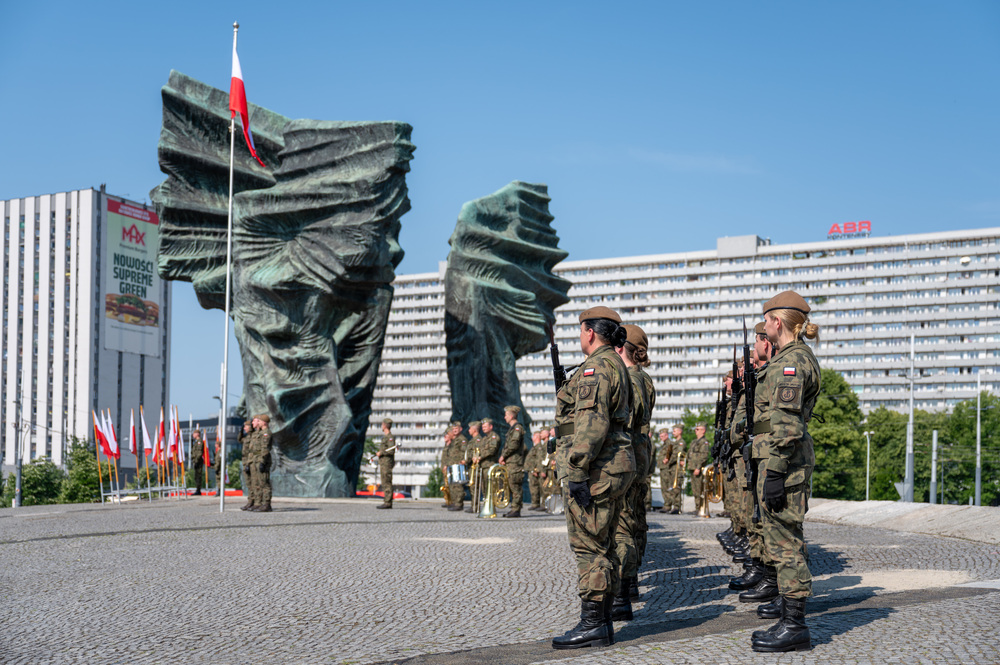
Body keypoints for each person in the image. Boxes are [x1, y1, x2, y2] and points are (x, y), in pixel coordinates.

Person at [551, 306, 634, 650]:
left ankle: (593, 624)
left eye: (580, 330)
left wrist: (577, 471)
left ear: (589, 332)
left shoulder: (595, 369)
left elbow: (591, 424)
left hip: (597, 469)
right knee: (604, 544)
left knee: (590, 547)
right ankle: (602, 620)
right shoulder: (613, 363)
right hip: (613, 465)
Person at [750, 291, 820, 653]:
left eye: (765, 321)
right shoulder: (792, 358)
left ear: (777, 322)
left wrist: (775, 470)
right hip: (782, 460)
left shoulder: (791, 363)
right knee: (783, 538)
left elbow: (788, 425)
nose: (763, 327)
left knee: (785, 541)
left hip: (785, 462)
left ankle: (795, 626)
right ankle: (788, 615)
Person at [610, 323, 653, 622]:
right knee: (633, 521)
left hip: (628, 460)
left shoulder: (631, 380)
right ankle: (630, 583)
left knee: (623, 527)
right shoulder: (642, 378)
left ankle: (622, 596)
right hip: (638, 458)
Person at [499, 406, 525, 517]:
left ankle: (516, 509)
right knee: (511, 485)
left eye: (506, 415)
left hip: (515, 463)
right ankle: (514, 508)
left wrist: (503, 456)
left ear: (511, 416)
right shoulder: (512, 429)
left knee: (515, 486)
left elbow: (513, 445)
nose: (504, 417)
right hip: (511, 462)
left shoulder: (517, 428)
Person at [660, 425, 685, 514]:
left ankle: (677, 506)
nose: (673, 433)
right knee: (672, 487)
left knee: (676, 487)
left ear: (680, 432)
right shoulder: (674, 443)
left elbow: (677, 454)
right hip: (672, 468)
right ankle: (673, 506)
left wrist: (668, 461)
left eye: (674, 431)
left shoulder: (681, 443)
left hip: (676, 468)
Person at [442, 422, 466, 511]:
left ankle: (459, 503)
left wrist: (463, 461)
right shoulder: (454, 440)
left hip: (457, 464)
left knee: (457, 485)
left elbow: (464, 451)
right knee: (453, 485)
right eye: (453, 429)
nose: (455, 430)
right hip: (452, 465)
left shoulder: (462, 440)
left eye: (457, 428)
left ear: (461, 429)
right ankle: (455, 502)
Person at [688, 423, 710, 515]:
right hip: (692, 468)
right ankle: (697, 507)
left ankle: (701, 508)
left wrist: (698, 467)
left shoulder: (704, 442)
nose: (695, 431)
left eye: (697, 429)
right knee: (695, 489)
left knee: (699, 489)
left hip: (698, 469)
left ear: (703, 430)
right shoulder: (694, 441)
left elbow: (704, 456)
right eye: (695, 429)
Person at [252, 414, 273, 512]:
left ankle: (267, 504)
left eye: (259, 421)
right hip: (257, 458)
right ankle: (260, 503)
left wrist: (262, 461)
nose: (258, 422)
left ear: (264, 422)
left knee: (265, 482)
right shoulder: (261, 433)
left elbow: (265, 448)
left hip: (263, 459)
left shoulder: (266, 433)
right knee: (260, 483)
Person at [375, 418, 396, 509]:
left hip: (387, 463)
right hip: (383, 463)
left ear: (384, 425)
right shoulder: (386, 437)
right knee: (384, 481)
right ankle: (386, 500)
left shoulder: (390, 437)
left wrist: (381, 452)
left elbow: (391, 450)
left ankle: (388, 502)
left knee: (387, 481)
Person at [525, 430, 544, 510]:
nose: (532, 438)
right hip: (531, 470)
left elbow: (539, 460)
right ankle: (535, 503)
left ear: (536, 437)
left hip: (534, 471)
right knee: (533, 487)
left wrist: (535, 470)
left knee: (535, 488)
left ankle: (537, 504)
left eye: (533, 436)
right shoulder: (535, 447)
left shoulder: (539, 447)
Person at [239, 420, 255, 511]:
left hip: (249, 462)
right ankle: (250, 502)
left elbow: (251, 452)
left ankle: (253, 502)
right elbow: (239, 439)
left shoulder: (253, 437)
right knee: (248, 483)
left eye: (246, 426)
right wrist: (241, 431)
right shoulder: (247, 437)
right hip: (245, 462)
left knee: (252, 483)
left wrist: (249, 463)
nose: (244, 428)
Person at [190, 430, 205, 496]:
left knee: (198, 476)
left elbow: (199, 453)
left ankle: (198, 490)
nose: (193, 435)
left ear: (197, 434)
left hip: (198, 461)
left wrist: (196, 460)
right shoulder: (196, 442)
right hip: (196, 460)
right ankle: (197, 489)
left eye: (194, 433)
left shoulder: (199, 442)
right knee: (196, 476)